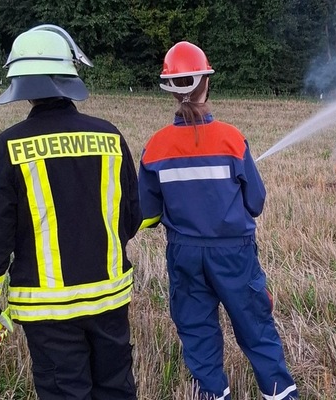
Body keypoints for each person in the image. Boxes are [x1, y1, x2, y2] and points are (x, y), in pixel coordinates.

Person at [0, 24, 141, 399]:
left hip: (47, 314)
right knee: (117, 391)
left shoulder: (7, 147)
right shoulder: (110, 137)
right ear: (68, 74)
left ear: (22, 84)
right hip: (110, 301)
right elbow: (131, 218)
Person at [138, 41, 299, 400]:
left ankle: (212, 392)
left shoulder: (155, 147)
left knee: (197, 330)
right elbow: (255, 202)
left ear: (169, 89)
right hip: (234, 254)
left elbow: (146, 213)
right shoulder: (231, 139)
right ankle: (281, 393)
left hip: (185, 256)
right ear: (206, 83)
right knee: (256, 326)